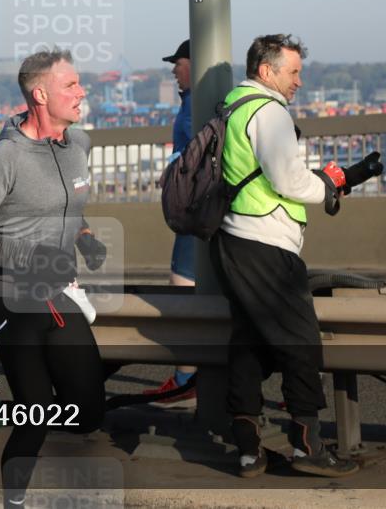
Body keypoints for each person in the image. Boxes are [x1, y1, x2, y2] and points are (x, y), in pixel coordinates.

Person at [0, 49, 107, 508]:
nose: (81, 93)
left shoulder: (80, 145)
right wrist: (25, 256)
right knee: (35, 411)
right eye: (71, 86)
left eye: (79, 84)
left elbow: (65, 206)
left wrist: (86, 236)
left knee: (87, 412)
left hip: (57, 287)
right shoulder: (6, 157)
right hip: (11, 292)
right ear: (41, 94)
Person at [210, 34, 360, 478]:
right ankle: (306, 446)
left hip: (233, 239)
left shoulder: (233, 105)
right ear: (267, 71)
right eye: (292, 72)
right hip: (267, 244)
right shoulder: (270, 112)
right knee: (300, 342)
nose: (298, 81)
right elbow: (288, 181)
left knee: (249, 343)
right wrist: (327, 186)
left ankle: (247, 449)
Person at [144, 39, 198, 404]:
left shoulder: (196, 103)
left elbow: (198, 148)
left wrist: (174, 164)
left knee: (183, 294)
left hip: (196, 212)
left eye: (177, 63)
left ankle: (185, 381)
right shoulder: (198, 100)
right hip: (203, 210)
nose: (173, 70)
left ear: (194, 63)